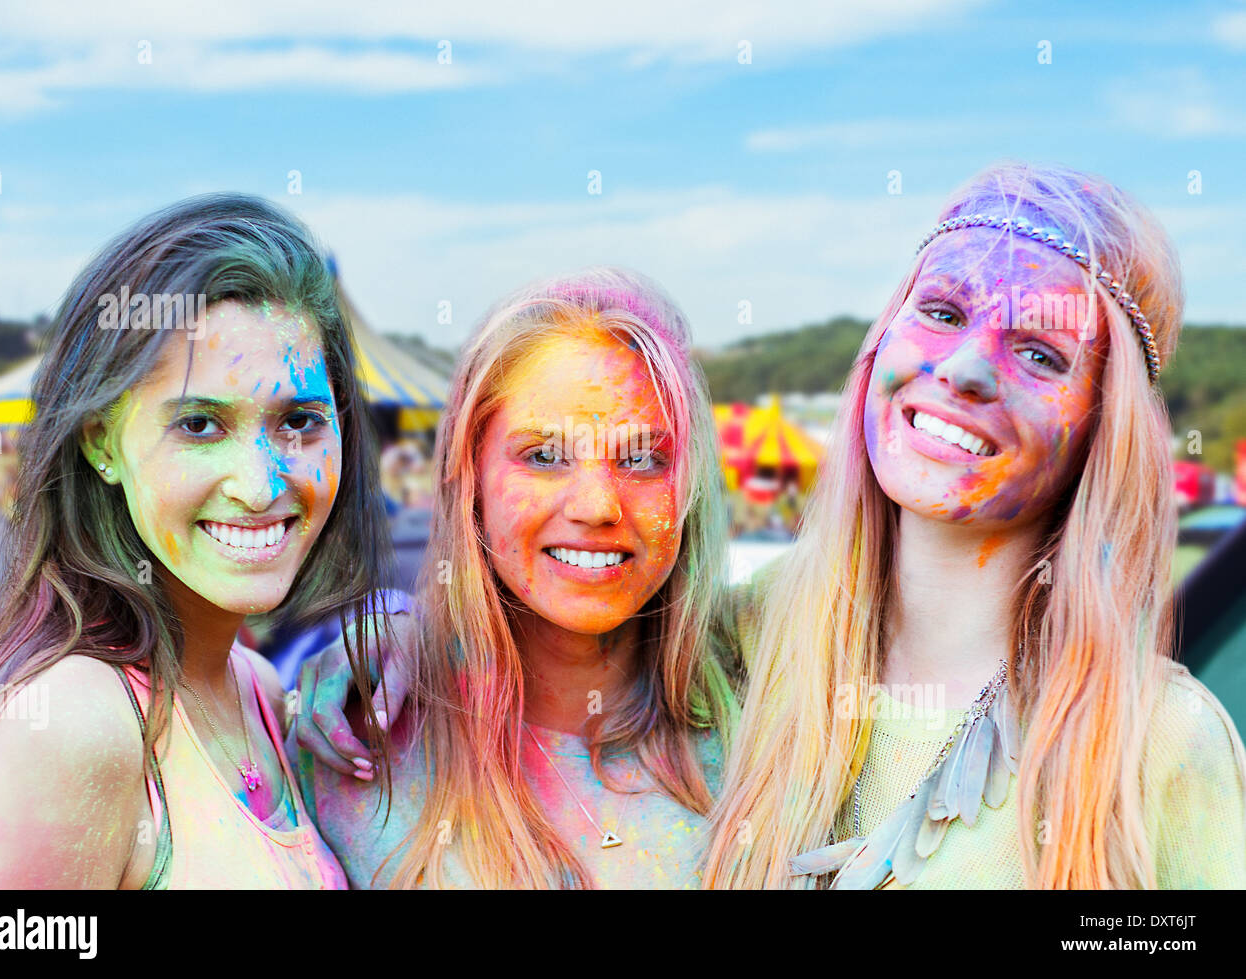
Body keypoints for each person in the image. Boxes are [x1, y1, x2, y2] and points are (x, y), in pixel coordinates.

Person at [703, 161, 1246, 888]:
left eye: (1039, 353)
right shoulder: (729, 637)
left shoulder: (1159, 742)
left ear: (1102, 428)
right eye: (944, 312)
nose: (965, 367)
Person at [0, 194, 391, 888]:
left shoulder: (262, 690)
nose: (259, 483)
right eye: (199, 425)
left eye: (298, 420)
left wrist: (413, 644)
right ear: (101, 442)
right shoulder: (77, 726)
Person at [291, 267, 742, 888]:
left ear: (689, 486)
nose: (596, 505)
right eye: (544, 456)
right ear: (468, 477)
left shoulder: (770, 715)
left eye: (642, 459)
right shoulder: (354, 741)